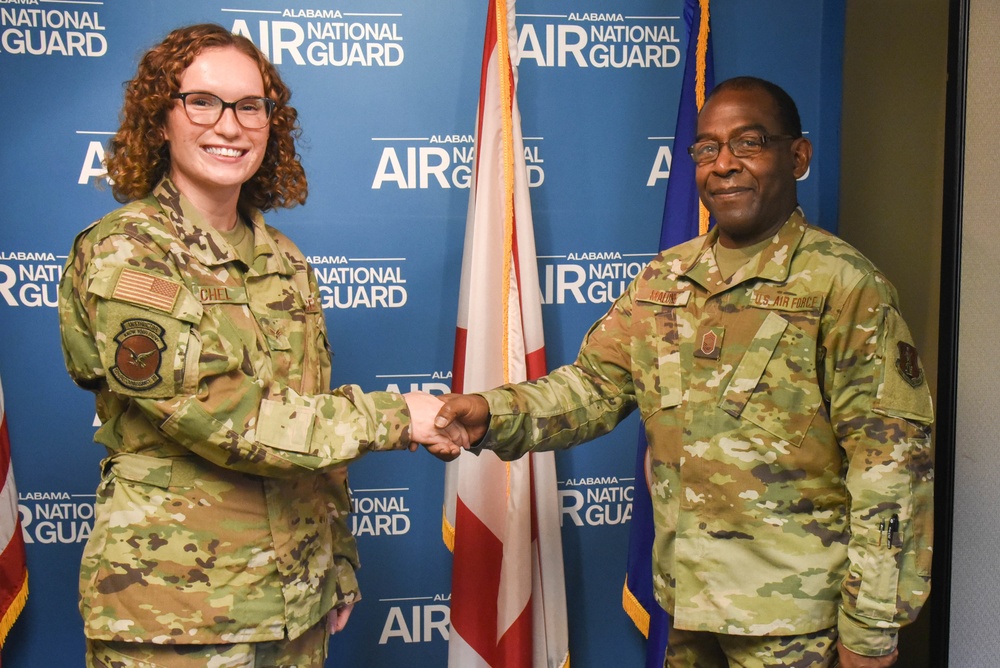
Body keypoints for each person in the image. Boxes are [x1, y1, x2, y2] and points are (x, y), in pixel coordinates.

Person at [435, 77, 934, 668]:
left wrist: (871, 630)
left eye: (749, 143)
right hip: (689, 609)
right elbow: (592, 389)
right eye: (707, 148)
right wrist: (491, 413)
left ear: (797, 156)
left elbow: (891, 470)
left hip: (796, 627)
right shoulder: (663, 280)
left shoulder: (847, 287)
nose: (724, 165)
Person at [58, 23, 461, 668]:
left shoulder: (285, 261)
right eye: (203, 102)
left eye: (251, 106)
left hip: (296, 605)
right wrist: (400, 416)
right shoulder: (127, 252)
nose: (229, 125)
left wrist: (338, 559)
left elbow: (309, 416)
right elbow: (226, 415)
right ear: (160, 120)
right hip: (176, 618)